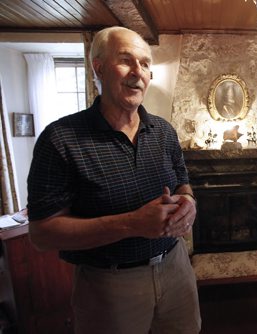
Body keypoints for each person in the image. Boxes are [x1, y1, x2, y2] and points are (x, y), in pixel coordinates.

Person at [27, 26, 201, 334]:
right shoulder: (60, 139)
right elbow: (42, 234)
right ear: (99, 67)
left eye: (146, 64)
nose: (138, 72)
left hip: (176, 269)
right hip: (108, 284)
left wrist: (188, 201)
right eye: (126, 60)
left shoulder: (164, 131)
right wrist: (132, 224)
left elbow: (182, 181)